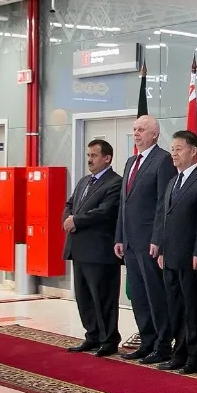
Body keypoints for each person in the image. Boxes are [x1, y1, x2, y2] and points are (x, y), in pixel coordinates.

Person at [152, 130, 197, 374]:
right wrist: (162, 249)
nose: (174, 153)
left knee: (193, 309)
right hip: (170, 257)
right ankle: (178, 354)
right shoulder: (173, 181)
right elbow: (165, 218)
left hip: (192, 258)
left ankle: (196, 356)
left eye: (178, 149)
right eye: (172, 149)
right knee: (176, 308)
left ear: (193, 151)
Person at [113, 116, 177, 363]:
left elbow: (163, 203)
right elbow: (124, 203)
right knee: (139, 296)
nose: (137, 133)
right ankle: (147, 340)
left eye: (141, 129)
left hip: (150, 242)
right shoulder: (131, 162)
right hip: (130, 242)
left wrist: (158, 239)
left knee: (155, 295)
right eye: (135, 129)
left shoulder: (163, 160)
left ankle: (163, 344)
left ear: (154, 134)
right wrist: (120, 236)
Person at [63, 139, 124, 356]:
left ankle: (108, 340)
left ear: (107, 158)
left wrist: (76, 221)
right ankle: (93, 336)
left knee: (103, 298)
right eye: (88, 155)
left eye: (94, 155)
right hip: (79, 248)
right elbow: (70, 204)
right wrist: (68, 219)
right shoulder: (84, 181)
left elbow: (105, 212)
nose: (90, 159)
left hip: (100, 251)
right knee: (84, 298)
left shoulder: (115, 182)